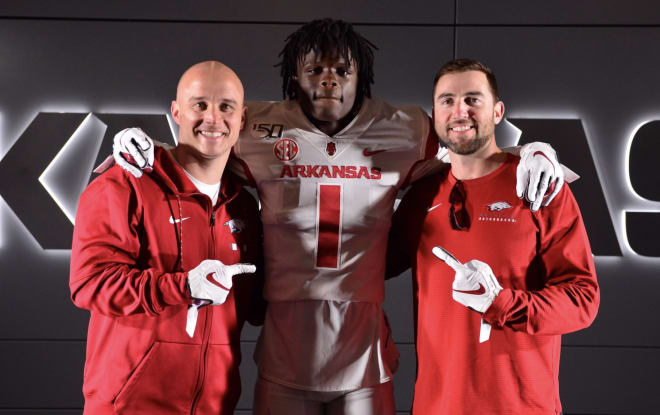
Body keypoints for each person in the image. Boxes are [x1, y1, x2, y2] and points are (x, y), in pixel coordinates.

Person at [107, 20, 566, 414]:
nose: (329, 80)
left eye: (342, 70)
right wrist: (148, 147)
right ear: (294, 77)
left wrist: (532, 151)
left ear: (360, 76)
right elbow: (201, 146)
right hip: (286, 339)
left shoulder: (406, 127)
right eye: (314, 69)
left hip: (361, 345)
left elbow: (470, 146)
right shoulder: (255, 127)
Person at [387, 59, 600, 414]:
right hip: (436, 406)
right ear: (435, 115)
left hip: (520, 406)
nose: (460, 111)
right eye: (447, 101)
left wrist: (503, 303)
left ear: (498, 111)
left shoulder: (540, 186)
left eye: (473, 99)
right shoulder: (420, 196)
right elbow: (362, 268)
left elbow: (583, 300)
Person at [70, 61, 264, 414]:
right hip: (130, 405)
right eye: (199, 104)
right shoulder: (125, 181)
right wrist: (182, 286)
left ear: (242, 118)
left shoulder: (244, 207)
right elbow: (90, 283)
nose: (213, 119)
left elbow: (257, 307)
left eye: (226, 107)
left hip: (214, 406)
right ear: (176, 111)